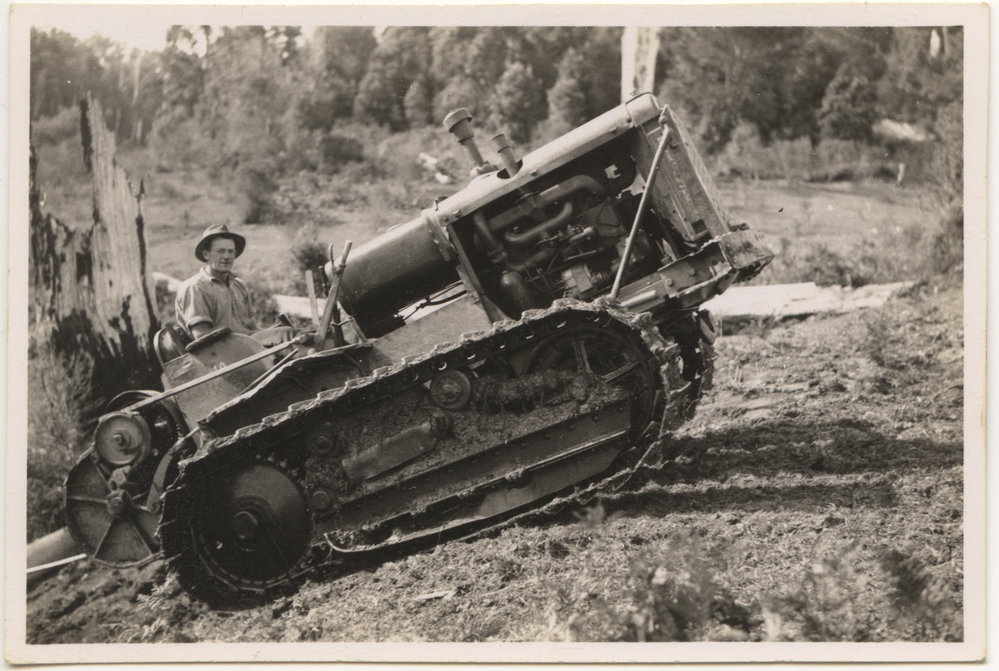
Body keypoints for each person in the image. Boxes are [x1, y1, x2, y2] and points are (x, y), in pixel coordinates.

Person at [175, 224, 256, 339]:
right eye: (221, 251)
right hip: (220, 353)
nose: (227, 256)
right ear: (206, 254)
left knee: (283, 334)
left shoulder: (239, 286)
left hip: (252, 348)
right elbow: (201, 337)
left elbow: (253, 328)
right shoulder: (195, 287)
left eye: (231, 252)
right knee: (285, 334)